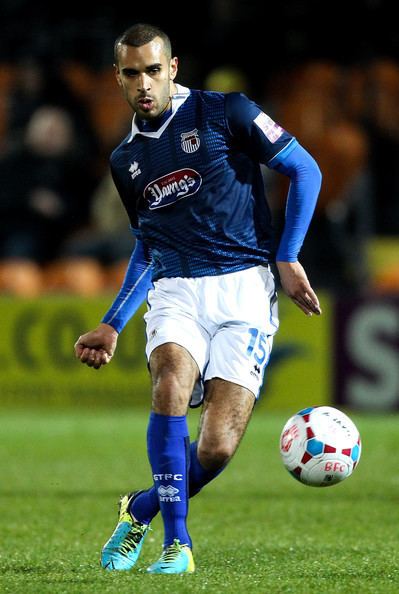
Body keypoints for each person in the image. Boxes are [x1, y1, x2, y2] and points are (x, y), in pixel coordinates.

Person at [74, 23, 322, 575]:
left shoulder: (226, 113)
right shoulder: (126, 161)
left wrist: (288, 255)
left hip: (246, 289)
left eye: (153, 70)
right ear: (117, 78)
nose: (144, 83)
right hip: (178, 290)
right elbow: (148, 247)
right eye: (132, 73)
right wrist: (113, 323)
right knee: (169, 382)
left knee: (215, 449)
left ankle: (138, 510)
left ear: (173, 68)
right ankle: (177, 545)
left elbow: (304, 168)